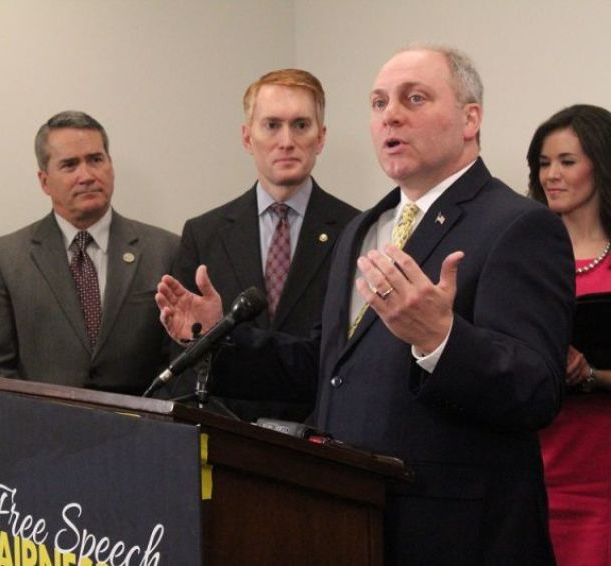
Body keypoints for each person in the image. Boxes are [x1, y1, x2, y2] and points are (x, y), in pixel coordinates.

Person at [156, 45, 574, 564]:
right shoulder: (362, 230)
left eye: (414, 98)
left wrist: (441, 339)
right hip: (349, 520)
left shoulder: (519, 225)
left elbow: (536, 390)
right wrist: (219, 336)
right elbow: (325, 368)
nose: (390, 115)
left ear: (471, 119)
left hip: (454, 534)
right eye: (378, 103)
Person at [167, 69, 358, 421]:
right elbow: (181, 368)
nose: (286, 140)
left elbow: (350, 361)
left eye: (301, 125)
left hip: (323, 442)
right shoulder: (202, 234)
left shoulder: (356, 232)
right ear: (246, 137)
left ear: (321, 137)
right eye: (272, 125)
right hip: (228, 439)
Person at [0, 111, 179, 394]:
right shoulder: (3, 259)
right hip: (43, 431)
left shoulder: (165, 250)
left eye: (96, 160)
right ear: (44, 181)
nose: (87, 176)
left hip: (142, 430)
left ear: (111, 166)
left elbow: (178, 360)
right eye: (70, 165)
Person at [527, 104, 611, 566]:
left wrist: (590, 374)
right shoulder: (517, 255)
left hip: (601, 473)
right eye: (543, 163)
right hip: (531, 466)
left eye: (566, 161)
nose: (551, 175)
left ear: (601, 164)